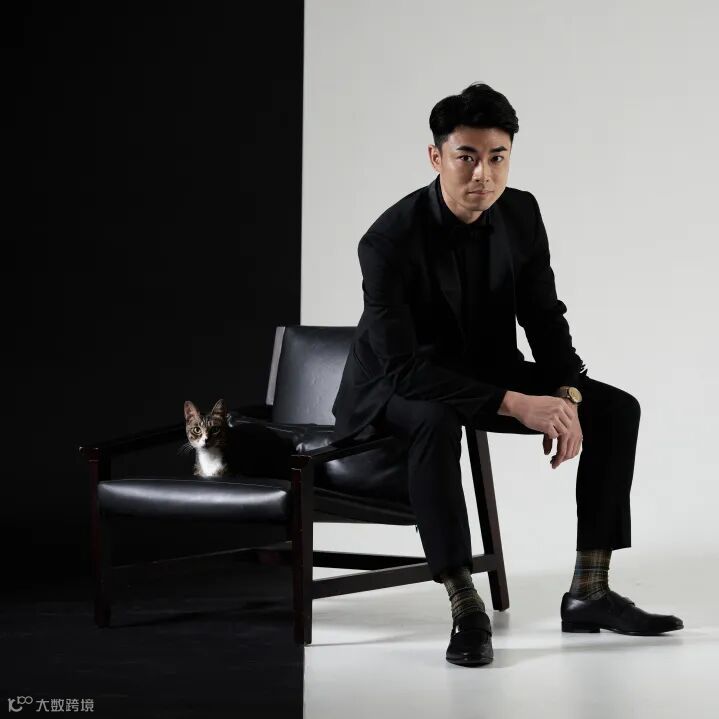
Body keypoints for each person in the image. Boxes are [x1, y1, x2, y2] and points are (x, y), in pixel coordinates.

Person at [330, 82, 683, 667]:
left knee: (617, 410)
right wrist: (517, 402)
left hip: (486, 369)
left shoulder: (521, 212)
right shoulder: (387, 241)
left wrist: (566, 391)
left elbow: (543, 315)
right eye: (467, 157)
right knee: (436, 421)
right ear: (436, 156)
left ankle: (589, 590)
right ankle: (464, 602)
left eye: (497, 157)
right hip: (398, 387)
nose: (483, 175)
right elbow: (404, 368)